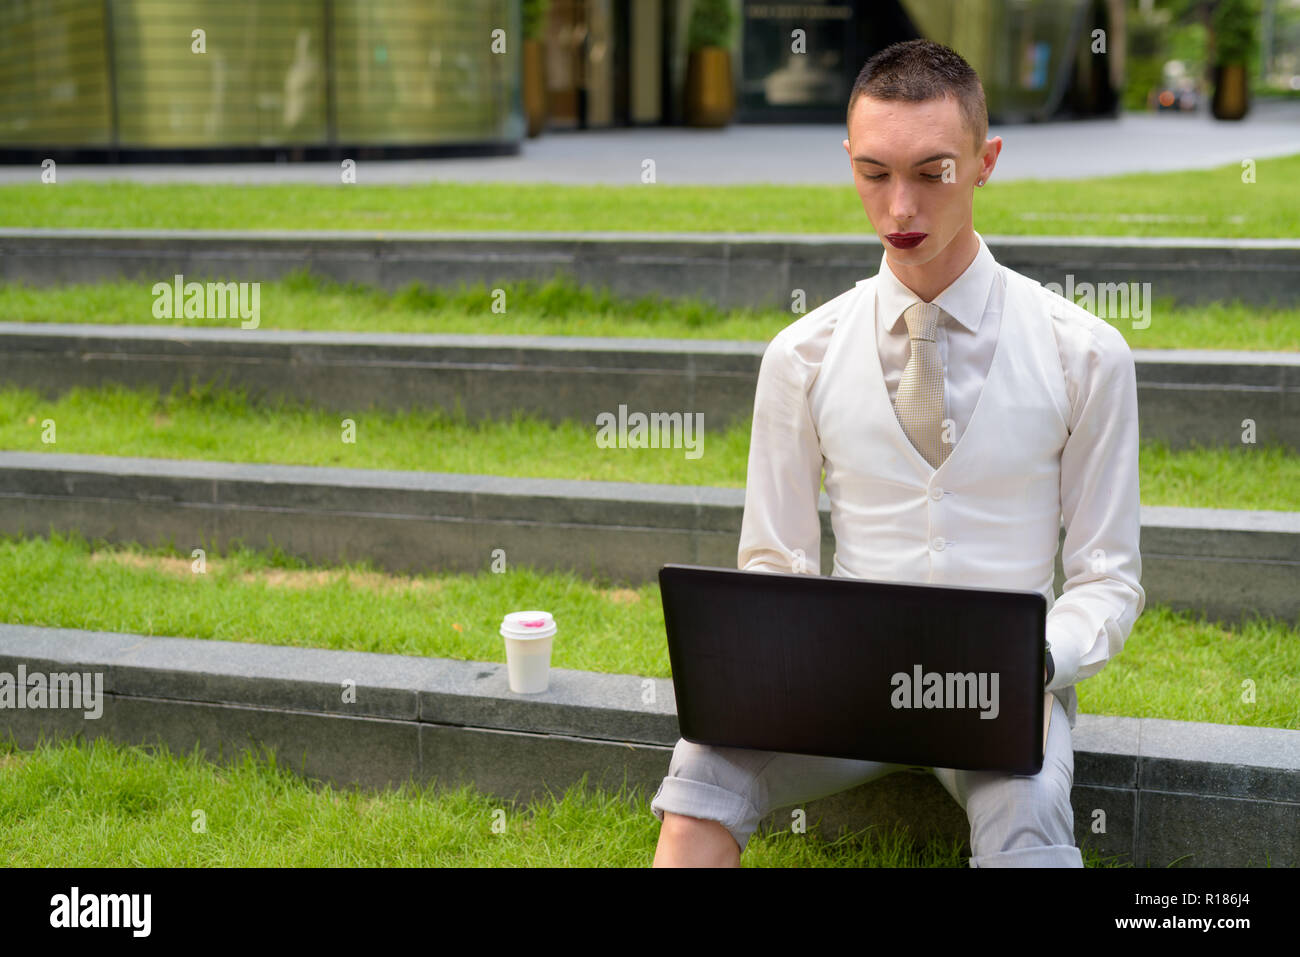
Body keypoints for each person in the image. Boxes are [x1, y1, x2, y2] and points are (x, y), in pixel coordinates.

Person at [649, 38, 1145, 868]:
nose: (900, 207)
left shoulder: (1084, 353)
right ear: (848, 160)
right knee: (703, 766)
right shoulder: (800, 355)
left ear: (985, 161)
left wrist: (1036, 662)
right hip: (838, 691)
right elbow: (774, 561)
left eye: (932, 171)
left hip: (1002, 696)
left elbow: (1107, 577)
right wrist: (771, 661)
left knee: (1028, 812)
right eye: (874, 173)